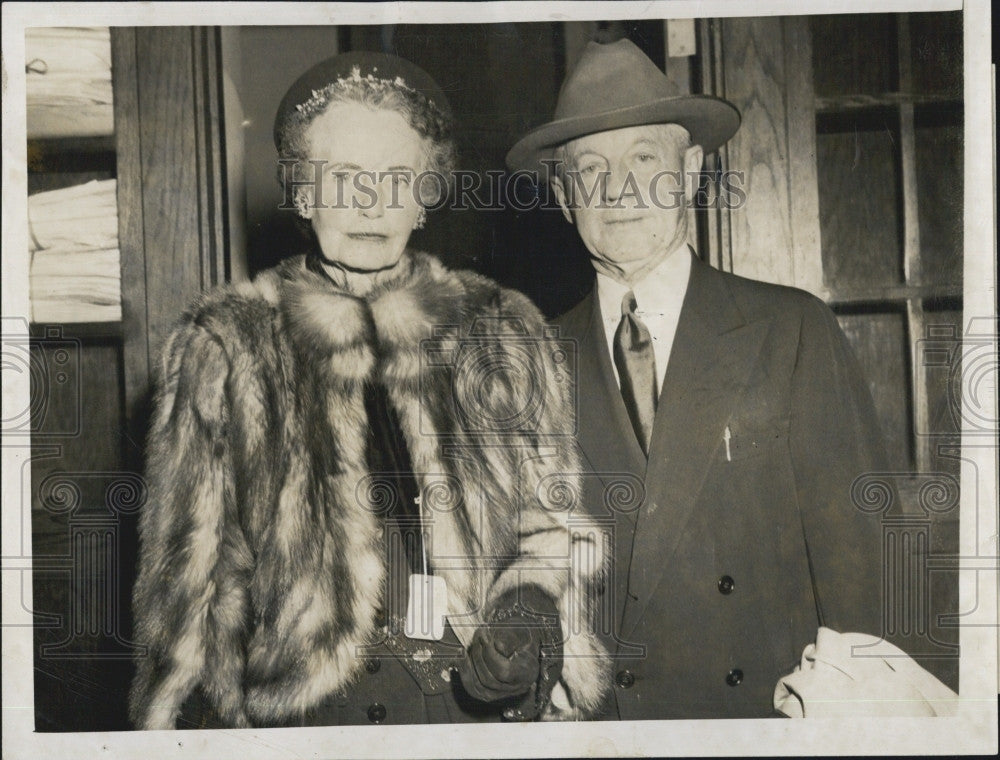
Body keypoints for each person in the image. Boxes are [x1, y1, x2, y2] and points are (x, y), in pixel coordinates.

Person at [129, 51, 609, 730]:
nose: (369, 204)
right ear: (299, 191)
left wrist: (527, 604)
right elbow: (188, 594)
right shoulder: (226, 346)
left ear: (425, 196)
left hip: (473, 712)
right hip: (305, 723)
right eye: (342, 177)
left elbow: (551, 522)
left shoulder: (501, 329)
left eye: (395, 178)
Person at [506, 38, 889, 719]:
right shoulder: (527, 363)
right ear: (564, 198)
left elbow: (866, 585)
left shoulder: (791, 332)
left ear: (688, 172)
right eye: (589, 169)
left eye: (643, 160)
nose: (617, 188)